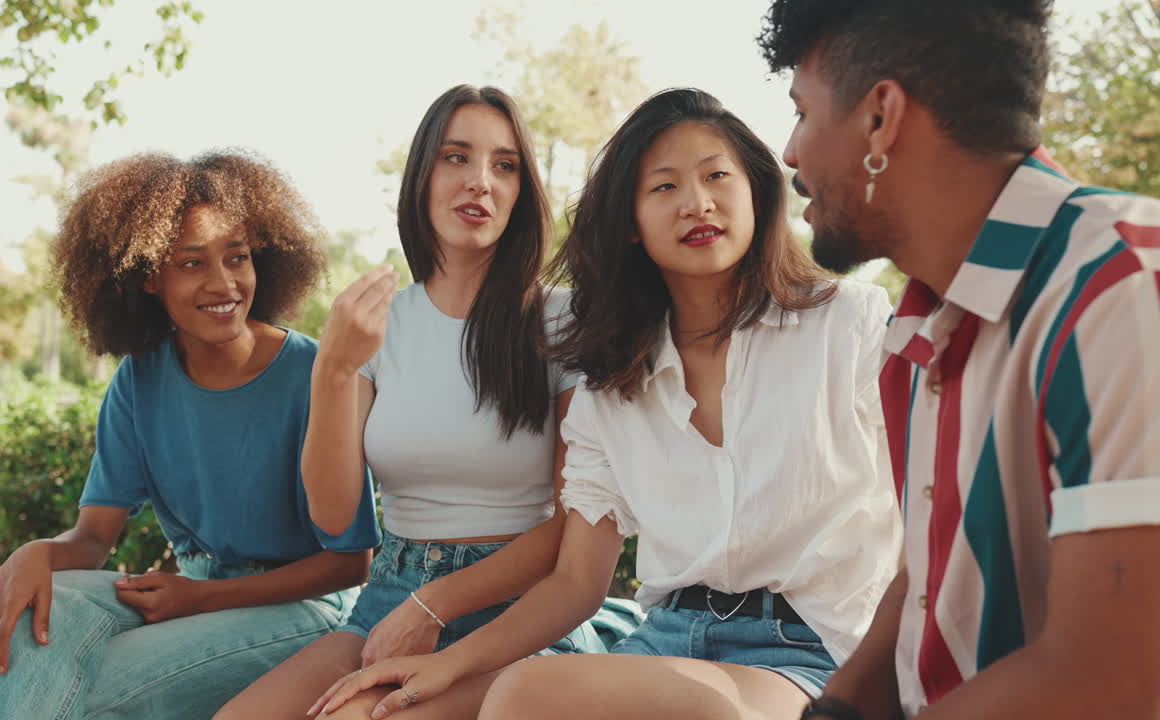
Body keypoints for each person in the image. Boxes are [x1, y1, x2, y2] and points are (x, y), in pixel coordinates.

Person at [311, 88, 903, 720]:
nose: (696, 202)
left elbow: (931, 533)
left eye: (716, 176)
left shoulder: (851, 326)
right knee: (513, 696)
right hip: (667, 640)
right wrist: (447, 664)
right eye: (664, 188)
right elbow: (574, 582)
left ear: (756, 191)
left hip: (815, 651)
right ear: (631, 225)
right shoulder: (614, 378)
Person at [756, 2, 1160, 718]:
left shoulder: (1121, 285)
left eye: (801, 112)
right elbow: (931, 582)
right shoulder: (914, 337)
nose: (790, 155)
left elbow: (1117, 678)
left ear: (880, 118)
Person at [0, 151, 380, 720]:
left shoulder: (315, 374)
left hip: (309, 610)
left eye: (237, 257)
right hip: (188, 593)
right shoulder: (139, 380)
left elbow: (350, 564)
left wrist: (204, 597)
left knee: (89, 692)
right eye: (192, 264)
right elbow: (93, 541)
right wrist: (34, 555)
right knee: (21, 617)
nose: (223, 283)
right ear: (150, 277)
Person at [215, 85, 609, 720]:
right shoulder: (380, 323)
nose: (480, 181)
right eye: (457, 157)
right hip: (392, 593)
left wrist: (438, 604)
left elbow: (572, 530)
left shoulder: (563, 324)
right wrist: (334, 369)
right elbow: (336, 513)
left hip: (518, 611)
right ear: (422, 176)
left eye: (504, 165)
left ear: (521, 192)